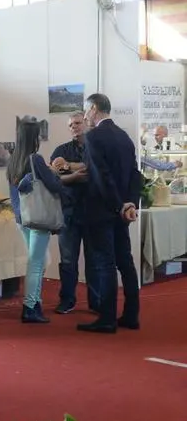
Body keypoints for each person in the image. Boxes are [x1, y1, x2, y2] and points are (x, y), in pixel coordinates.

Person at [78, 94, 141, 334]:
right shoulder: (124, 136)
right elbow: (135, 175)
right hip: (122, 211)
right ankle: (131, 315)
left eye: (86, 111)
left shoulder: (93, 137)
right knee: (126, 262)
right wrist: (130, 204)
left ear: (94, 108)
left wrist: (118, 205)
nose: (84, 117)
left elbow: (101, 177)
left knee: (105, 264)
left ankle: (106, 318)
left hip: (103, 210)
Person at [7, 117, 66, 324]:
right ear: (35, 137)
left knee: (38, 262)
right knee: (36, 263)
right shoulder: (36, 159)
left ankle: (36, 302)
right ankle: (30, 306)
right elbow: (53, 185)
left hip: (22, 218)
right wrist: (60, 174)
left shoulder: (14, 159)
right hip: (38, 218)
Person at [49, 112, 99, 314]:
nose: (74, 127)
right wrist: (75, 173)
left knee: (94, 260)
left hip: (93, 212)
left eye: (78, 123)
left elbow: (93, 170)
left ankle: (96, 301)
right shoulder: (61, 149)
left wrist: (68, 167)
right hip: (68, 213)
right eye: (71, 125)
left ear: (86, 123)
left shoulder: (96, 148)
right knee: (68, 261)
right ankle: (67, 300)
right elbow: (53, 173)